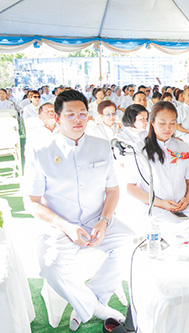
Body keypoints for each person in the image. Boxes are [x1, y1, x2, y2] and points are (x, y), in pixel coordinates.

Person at [23, 90, 133, 330]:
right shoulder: (40, 150)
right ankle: (97, 308)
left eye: (82, 114)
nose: (77, 120)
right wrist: (66, 227)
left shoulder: (102, 146)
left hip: (97, 219)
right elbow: (31, 202)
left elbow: (113, 191)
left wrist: (104, 221)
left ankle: (90, 300)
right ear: (57, 116)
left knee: (130, 244)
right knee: (49, 265)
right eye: (71, 114)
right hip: (59, 223)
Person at [126, 101, 189, 226]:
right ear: (152, 122)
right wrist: (160, 203)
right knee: (172, 236)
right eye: (162, 123)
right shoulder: (139, 149)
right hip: (155, 207)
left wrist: (188, 198)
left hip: (184, 207)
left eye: (172, 123)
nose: (168, 128)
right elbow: (131, 187)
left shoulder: (183, 147)